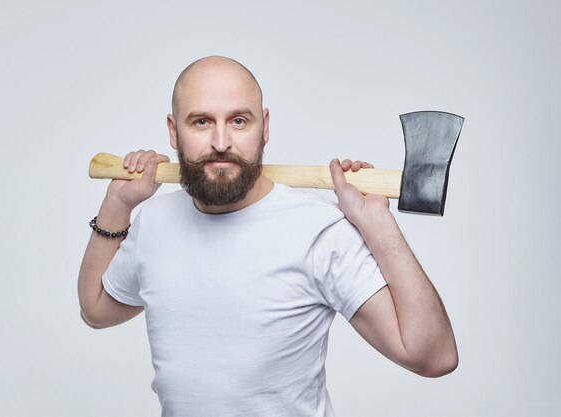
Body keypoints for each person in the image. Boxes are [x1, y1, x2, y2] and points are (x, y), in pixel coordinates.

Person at [78, 56, 458, 416]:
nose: (222, 142)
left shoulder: (318, 231)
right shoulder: (154, 220)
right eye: (201, 122)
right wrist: (116, 204)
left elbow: (433, 356)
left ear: (266, 127)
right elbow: (95, 311)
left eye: (239, 121)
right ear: (173, 132)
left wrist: (379, 226)